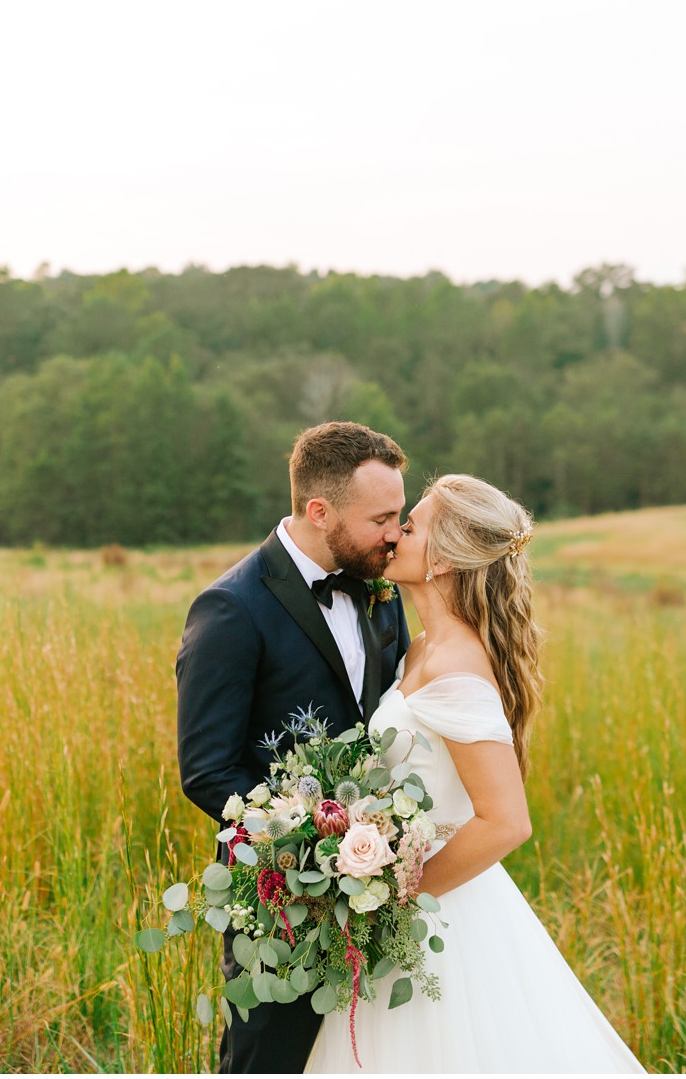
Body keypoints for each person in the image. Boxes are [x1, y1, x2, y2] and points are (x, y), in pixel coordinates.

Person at [305, 473, 643, 1074]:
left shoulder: (457, 667)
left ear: (442, 560)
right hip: (410, 898)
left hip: (443, 917)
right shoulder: (421, 650)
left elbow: (507, 821)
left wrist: (398, 896)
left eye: (411, 526)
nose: (395, 534)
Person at [176, 422, 411, 1075]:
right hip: (281, 894)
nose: (397, 534)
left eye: (401, 515)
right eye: (383, 518)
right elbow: (206, 771)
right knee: (269, 1060)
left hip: (379, 885)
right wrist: (315, 844)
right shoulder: (229, 609)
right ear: (319, 511)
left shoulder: (378, 587)